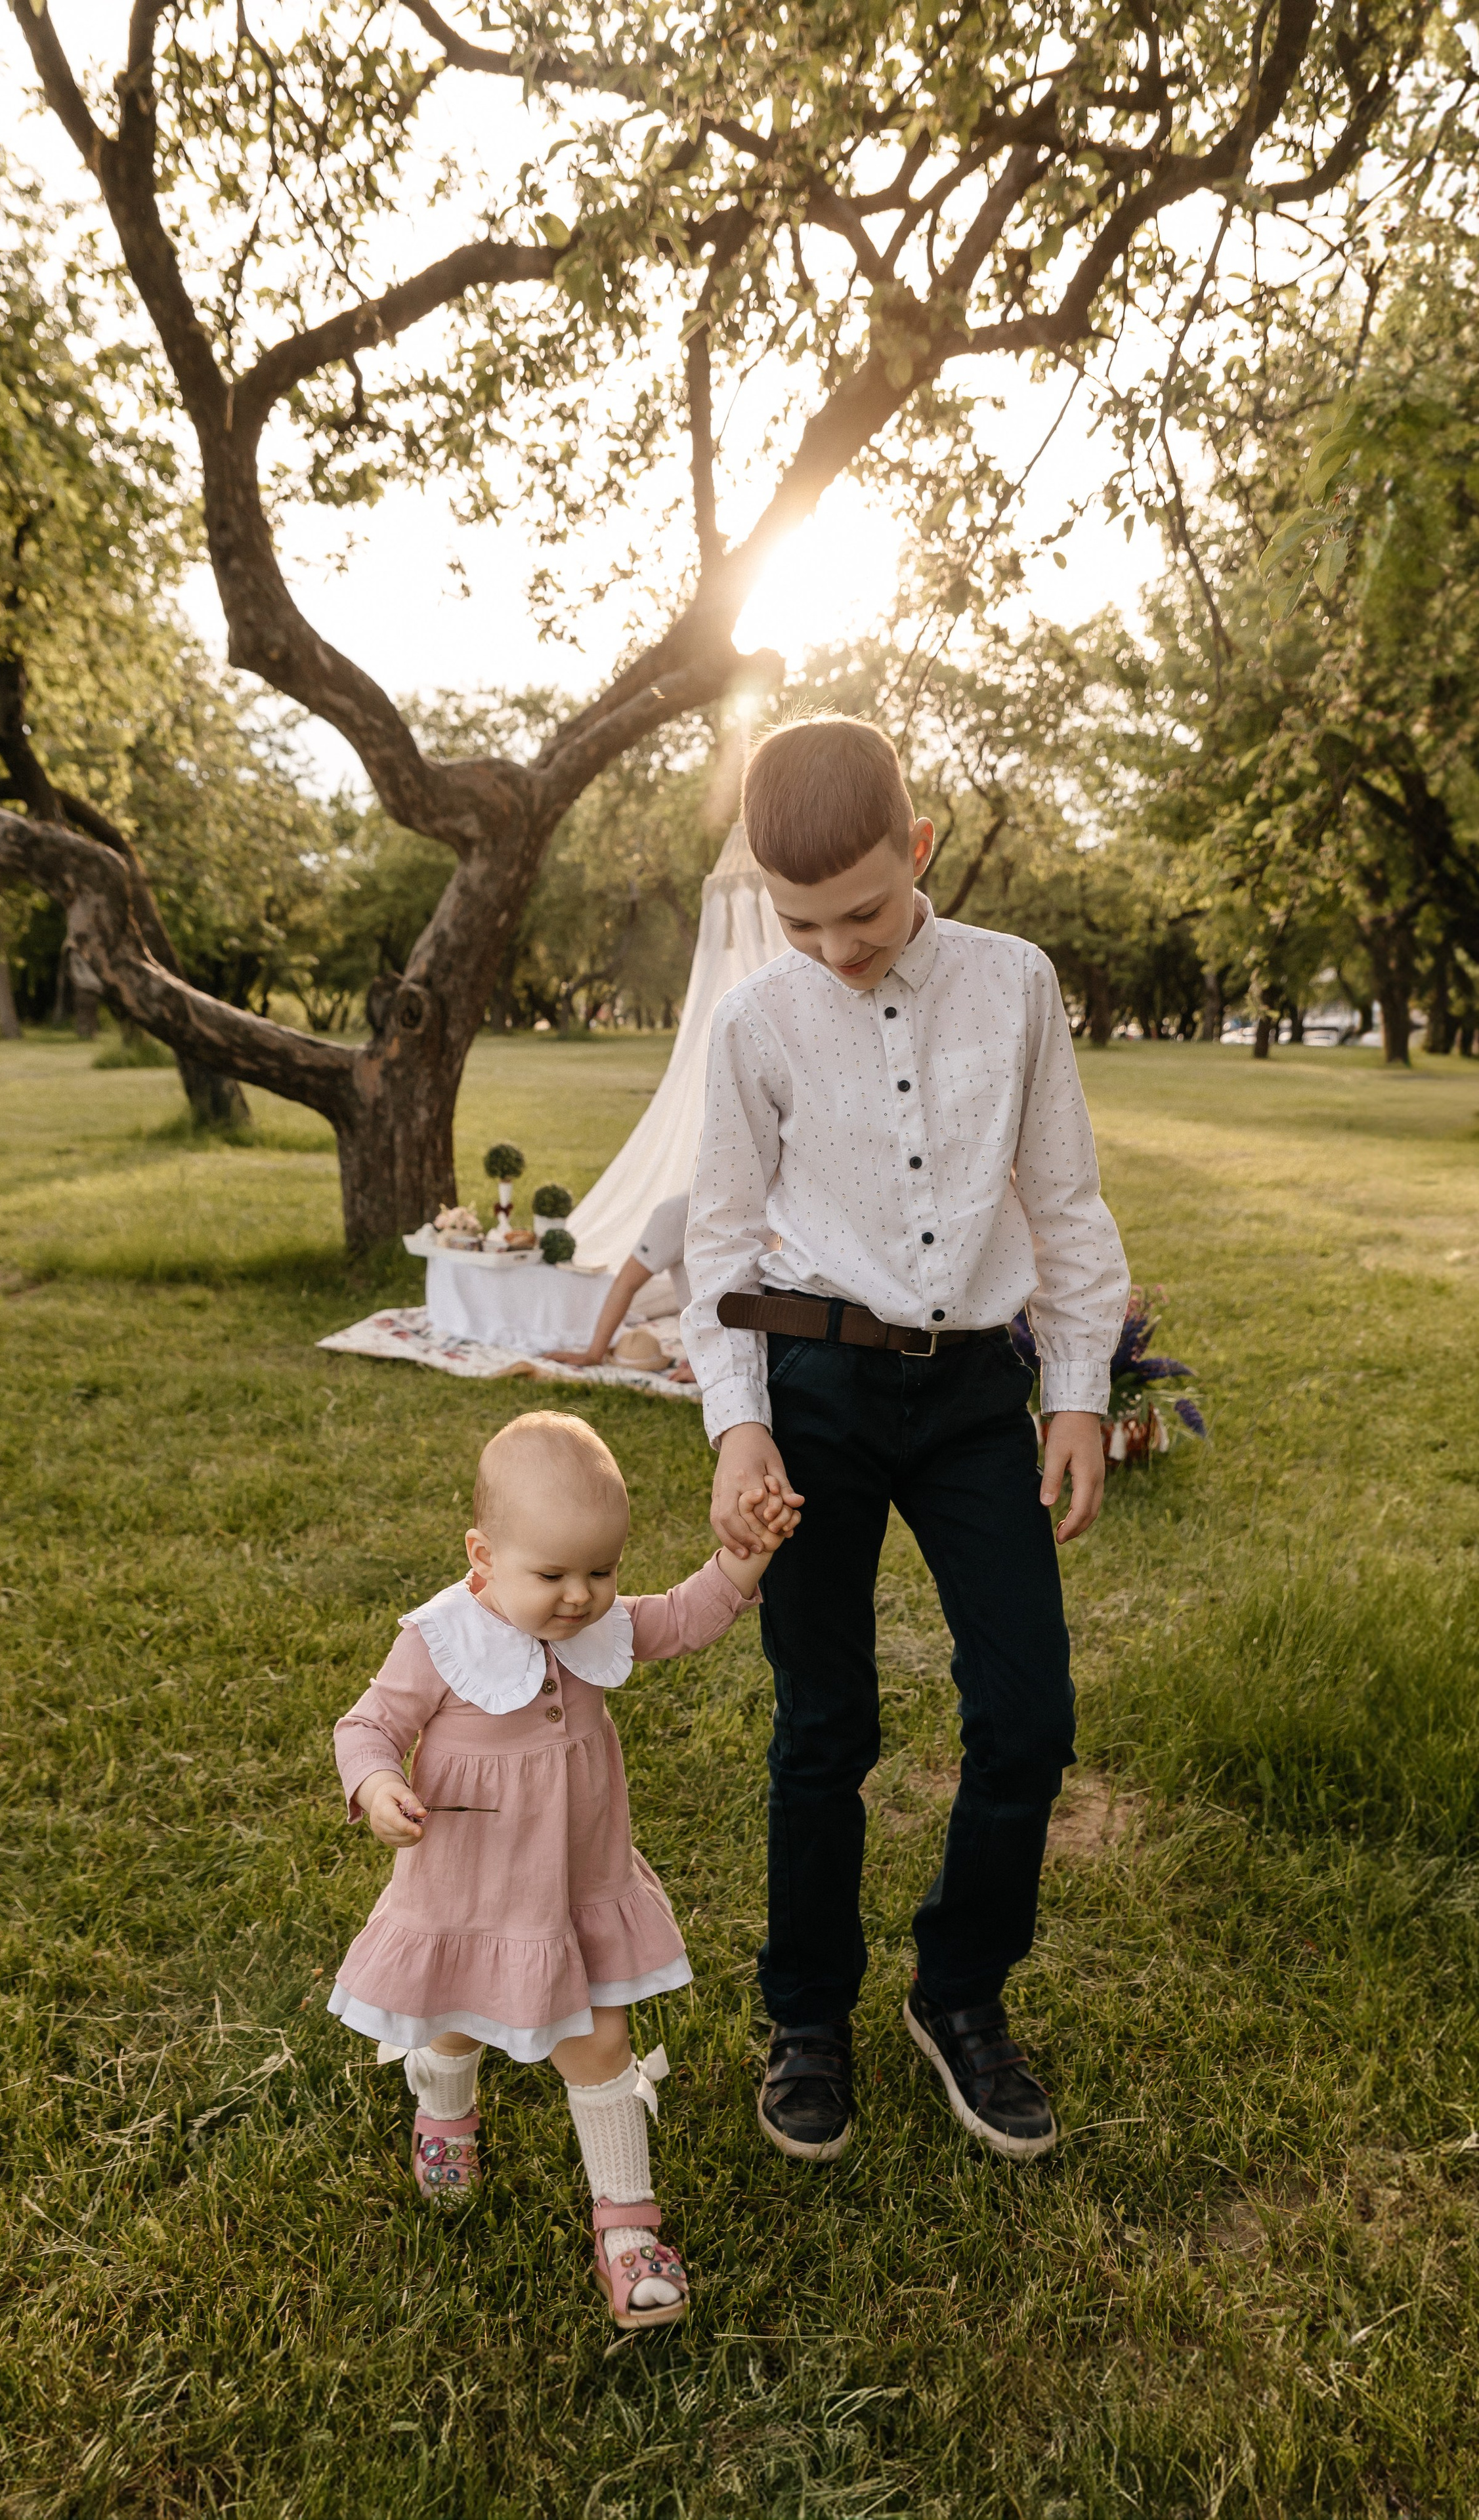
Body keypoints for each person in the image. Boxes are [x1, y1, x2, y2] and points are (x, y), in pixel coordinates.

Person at [683, 715, 1129, 2169]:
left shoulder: (1014, 985)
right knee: (825, 1725)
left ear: (918, 848)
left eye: (861, 909)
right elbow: (716, 1247)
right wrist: (738, 1431)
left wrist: (1074, 1387)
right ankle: (806, 2015)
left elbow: (1060, 1199)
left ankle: (959, 1997)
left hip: (967, 1404)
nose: (835, 946)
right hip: (811, 1388)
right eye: (798, 920)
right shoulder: (758, 1022)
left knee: (1027, 1719)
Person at [327, 1410, 792, 2330]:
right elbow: (367, 1727)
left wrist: (749, 1559)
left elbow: (690, 1616)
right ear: (483, 1555)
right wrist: (377, 1788)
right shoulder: (440, 1641)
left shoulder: (595, 1624)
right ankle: (445, 2116)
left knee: (600, 2044)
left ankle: (626, 2228)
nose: (580, 1598)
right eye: (552, 1575)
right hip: (469, 1889)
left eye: (601, 1571)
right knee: (456, 2022)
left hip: (573, 1888)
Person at [542, 1192, 697, 1381]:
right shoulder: (683, 1211)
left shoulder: (679, 1211)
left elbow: (626, 1283)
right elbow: (627, 1284)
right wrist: (594, 1354)